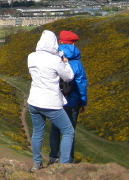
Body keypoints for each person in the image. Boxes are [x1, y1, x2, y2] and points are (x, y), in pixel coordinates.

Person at [27, 30, 75, 172]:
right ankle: (64, 166)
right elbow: (68, 77)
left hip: (34, 101)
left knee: (37, 132)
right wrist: (65, 62)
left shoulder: (31, 57)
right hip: (50, 102)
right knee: (68, 131)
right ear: (53, 43)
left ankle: (37, 163)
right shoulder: (55, 60)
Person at [48, 30, 88, 165]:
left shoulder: (53, 58)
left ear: (60, 42)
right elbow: (81, 84)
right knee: (69, 131)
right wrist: (83, 102)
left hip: (56, 100)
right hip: (72, 102)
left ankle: (53, 158)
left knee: (55, 128)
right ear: (74, 44)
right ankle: (67, 161)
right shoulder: (77, 63)